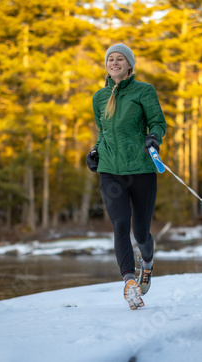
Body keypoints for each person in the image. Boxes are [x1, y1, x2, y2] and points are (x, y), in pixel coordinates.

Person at [86, 44, 166, 310]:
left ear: (129, 65)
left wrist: (153, 137)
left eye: (120, 59)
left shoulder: (144, 91)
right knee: (120, 223)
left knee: (141, 232)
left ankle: (147, 262)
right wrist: (96, 151)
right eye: (110, 58)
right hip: (110, 170)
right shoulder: (99, 96)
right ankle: (130, 282)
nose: (114, 62)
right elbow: (103, 130)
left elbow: (157, 122)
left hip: (141, 168)